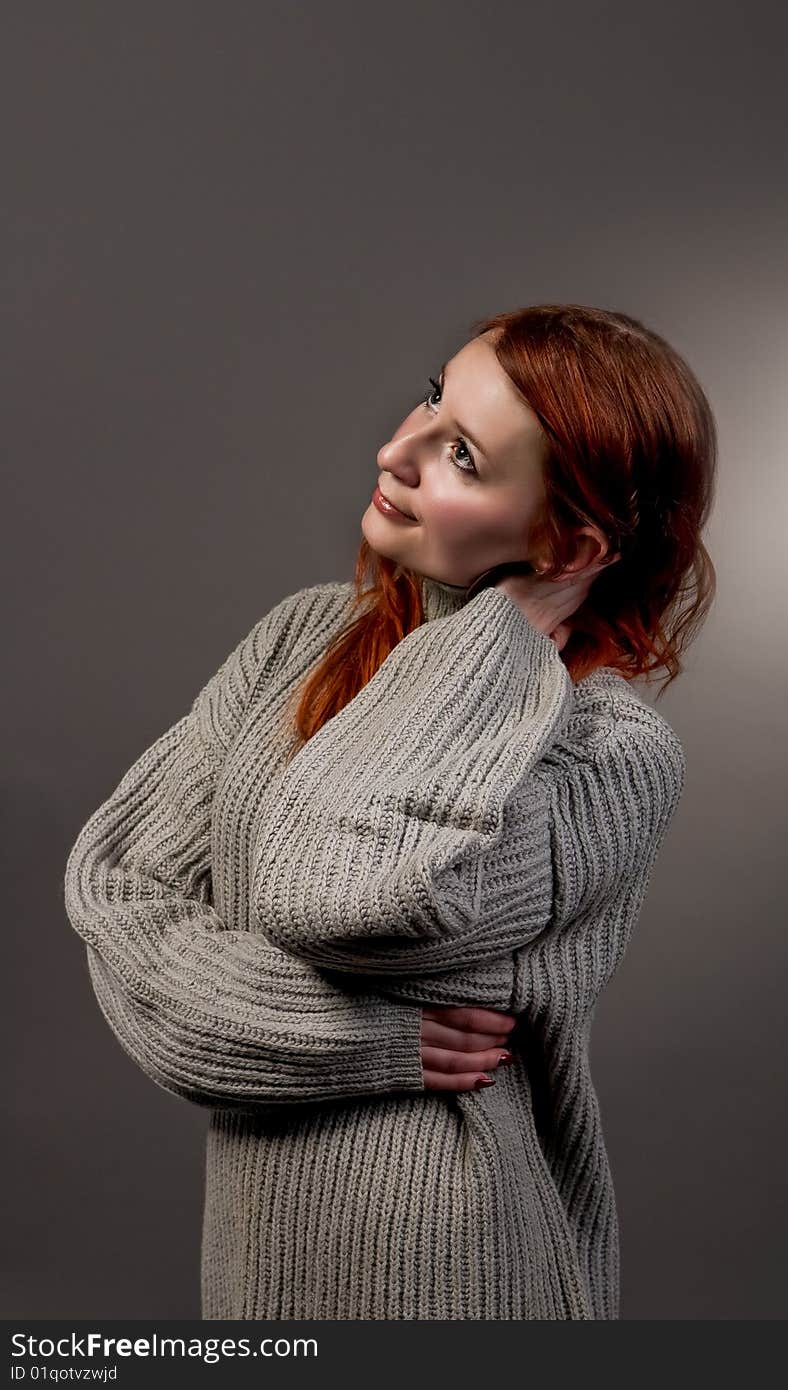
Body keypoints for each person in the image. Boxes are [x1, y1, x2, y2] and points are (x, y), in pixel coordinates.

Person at [63, 303, 716, 1321]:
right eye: (431, 400)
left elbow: (328, 893)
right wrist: (359, 1041)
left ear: (569, 543)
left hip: (456, 1273)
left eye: (459, 454)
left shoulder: (608, 755)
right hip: (256, 1277)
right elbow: (114, 890)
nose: (394, 452)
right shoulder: (304, 637)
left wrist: (506, 629)